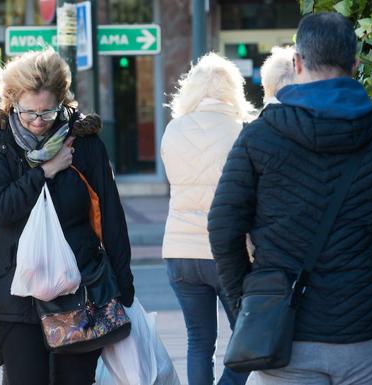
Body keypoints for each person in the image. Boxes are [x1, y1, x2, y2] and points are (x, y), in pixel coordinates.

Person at [208, 12, 372, 385]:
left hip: (284, 337)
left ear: (297, 63)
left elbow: (223, 229)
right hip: (366, 339)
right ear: (353, 65)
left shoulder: (260, 135)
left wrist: (245, 304)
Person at [0, 49, 135, 385]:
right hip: (16, 291)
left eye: (47, 112)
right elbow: (1, 210)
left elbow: (110, 216)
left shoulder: (86, 144)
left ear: (62, 102)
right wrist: (45, 172)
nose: (37, 121)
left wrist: (123, 285)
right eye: (28, 112)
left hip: (79, 287)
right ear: (11, 102)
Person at [160, 52, 253, 385]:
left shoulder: (173, 130)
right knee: (247, 336)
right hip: (226, 252)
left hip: (180, 250)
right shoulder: (242, 131)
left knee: (198, 341)